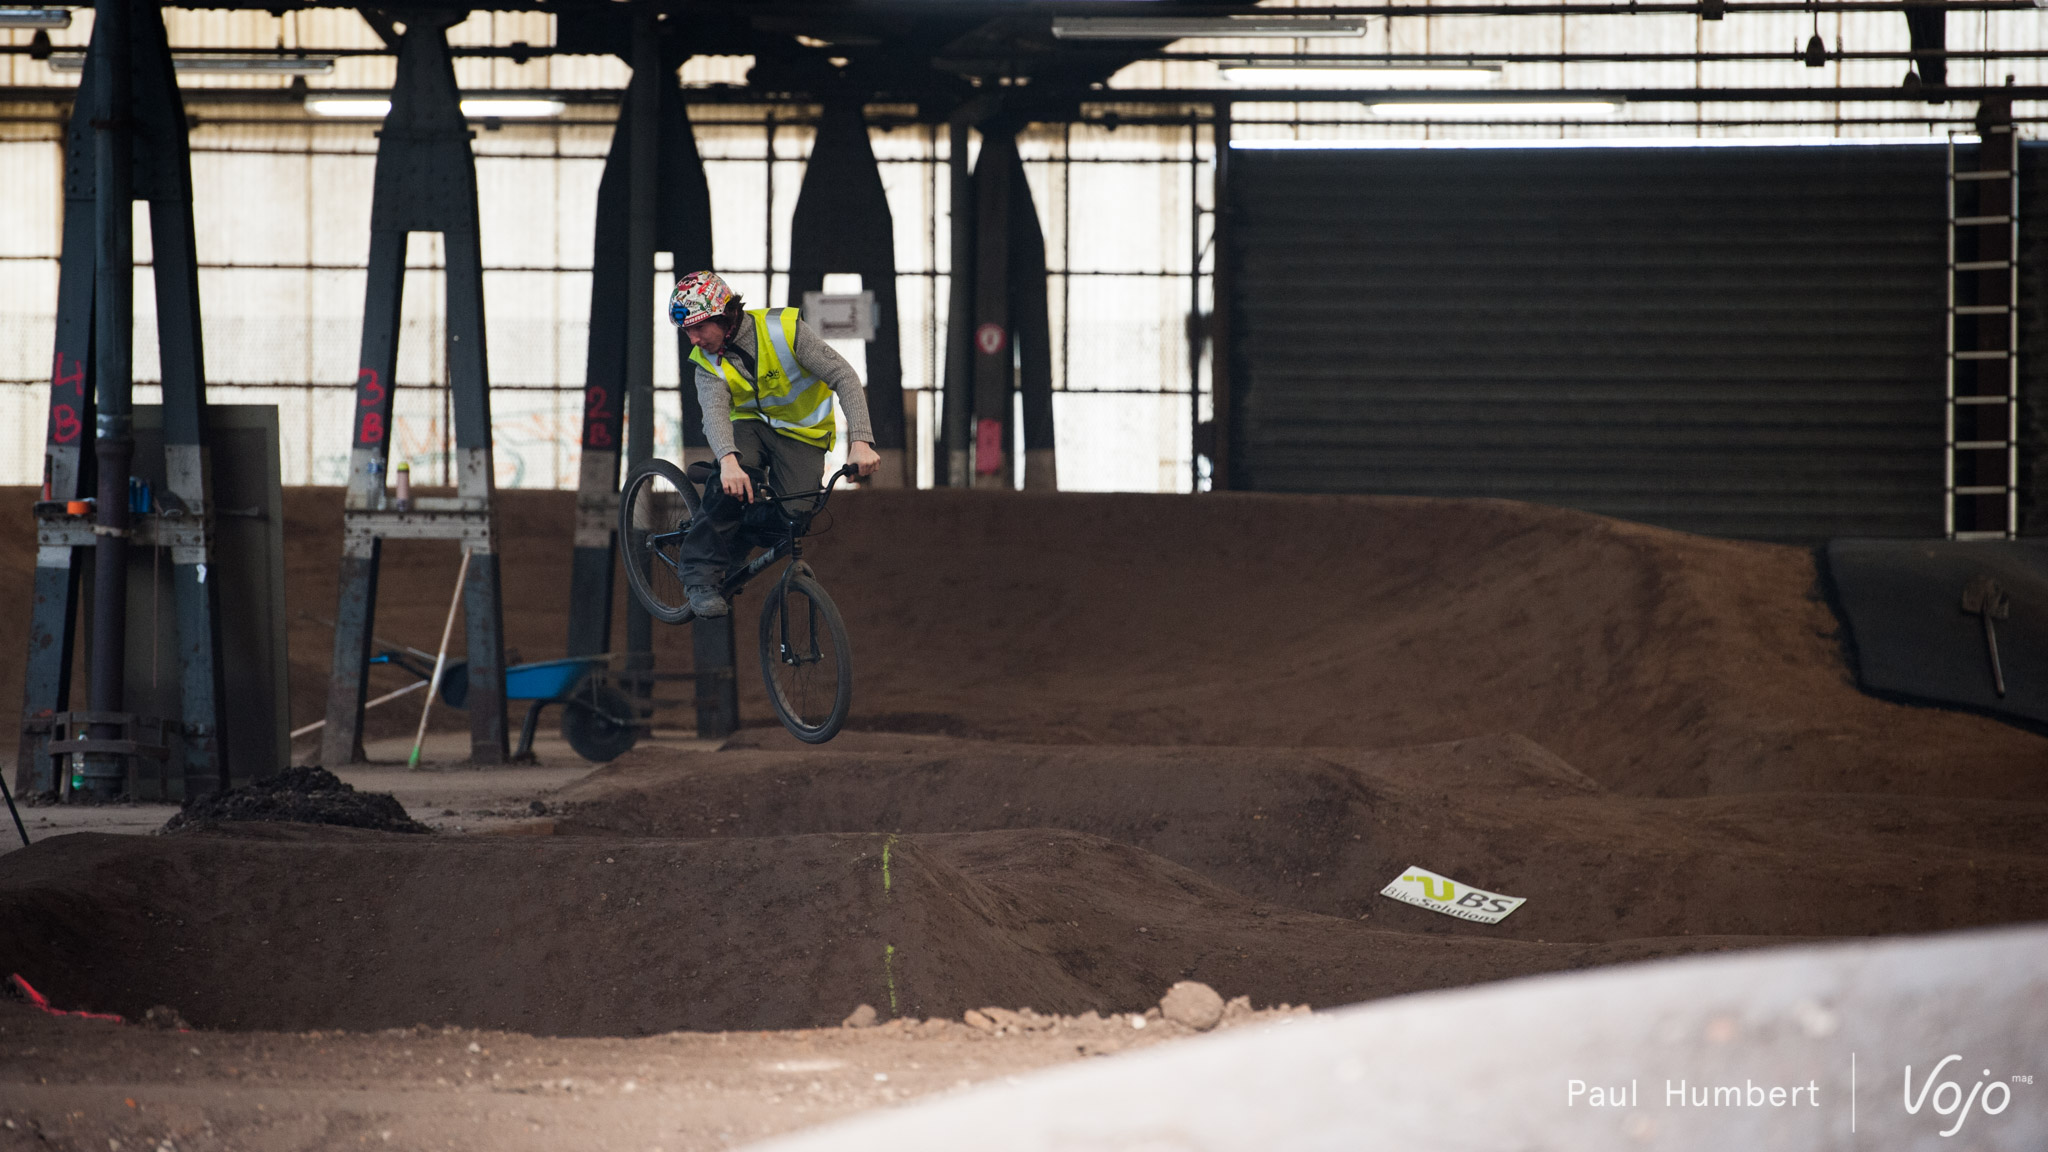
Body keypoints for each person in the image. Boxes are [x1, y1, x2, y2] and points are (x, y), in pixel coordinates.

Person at [668, 270, 881, 619]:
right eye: (687, 331)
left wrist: (860, 441)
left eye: (699, 327)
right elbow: (715, 414)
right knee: (736, 481)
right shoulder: (705, 362)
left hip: (801, 433)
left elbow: (843, 375)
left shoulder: (784, 331)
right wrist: (728, 462)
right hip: (747, 427)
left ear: (726, 314)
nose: (693, 339)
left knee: (794, 519)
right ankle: (699, 577)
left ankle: (736, 537)